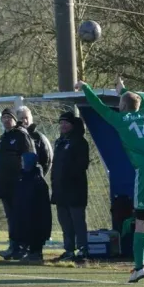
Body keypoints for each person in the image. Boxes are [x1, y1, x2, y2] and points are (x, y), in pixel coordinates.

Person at [75, 76, 144, 283]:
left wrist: (85, 87)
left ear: (122, 106)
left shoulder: (119, 119)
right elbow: (139, 97)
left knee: (141, 221)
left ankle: (139, 267)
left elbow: (98, 107)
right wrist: (123, 89)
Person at [0, 108, 35, 259]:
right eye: (3, 117)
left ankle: (24, 247)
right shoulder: (3, 137)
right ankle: (13, 246)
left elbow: (29, 157)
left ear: (14, 119)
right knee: (11, 217)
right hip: (5, 186)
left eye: (8, 117)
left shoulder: (20, 135)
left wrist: (24, 178)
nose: (6, 120)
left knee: (21, 216)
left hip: (18, 185)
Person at [51, 112, 90, 262]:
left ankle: (82, 250)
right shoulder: (59, 142)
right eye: (61, 123)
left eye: (66, 123)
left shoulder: (80, 142)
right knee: (65, 222)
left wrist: (68, 178)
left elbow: (82, 165)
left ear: (73, 125)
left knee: (77, 221)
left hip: (75, 190)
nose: (63, 125)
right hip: (60, 191)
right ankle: (69, 250)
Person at [11, 152, 52, 263]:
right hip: (24, 214)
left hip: (35, 216)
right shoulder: (22, 177)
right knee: (24, 231)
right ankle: (29, 252)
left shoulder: (37, 180)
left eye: (24, 162)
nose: (22, 164)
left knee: (34, 232)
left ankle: (36, 253)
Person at [16, 106, 53, 177]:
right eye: (21, 118)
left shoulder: (39, 137)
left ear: (31, 118)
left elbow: (48, 160)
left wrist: (39, 177)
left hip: (34, 181)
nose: (24, 121)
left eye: (26, 118)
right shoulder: (14, 137)